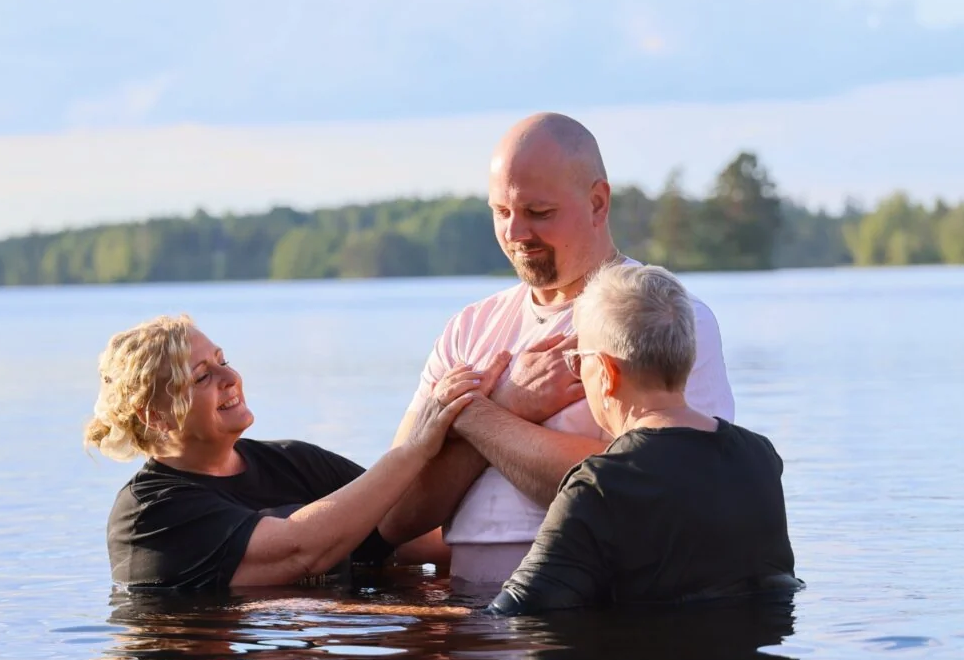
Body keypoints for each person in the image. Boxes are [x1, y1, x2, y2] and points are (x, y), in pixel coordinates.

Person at [389, 112, 735, 584]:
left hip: (590, 613)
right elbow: (394, 514)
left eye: (538, 212)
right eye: (501, 212)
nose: (515, 234)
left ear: (597, 203)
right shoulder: (468, 330)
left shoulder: (668, 318)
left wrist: (472, 417)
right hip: (470, 616)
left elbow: (660, 491)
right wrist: (505, 404)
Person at [87, 313, 505, 591]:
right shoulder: (149, 513)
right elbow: (300, 550)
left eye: (222, 361)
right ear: (155, 416)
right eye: (201, 377)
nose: (230, 377)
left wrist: (494, 417)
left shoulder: (295, 463)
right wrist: (417, 446)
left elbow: (408, 532)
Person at [482, 263, 799, 614]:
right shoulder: (759, 457)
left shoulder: (600, 485)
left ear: (607, 372)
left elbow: (515, 613)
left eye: (578, 361)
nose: (579, 372)